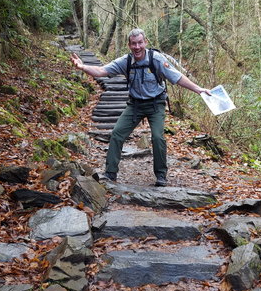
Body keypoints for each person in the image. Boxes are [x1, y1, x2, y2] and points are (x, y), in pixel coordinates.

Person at [71, 28, 211, 186]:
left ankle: (161, 175)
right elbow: (101, 71)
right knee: (117, 133)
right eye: (133, 44)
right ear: (129, 45)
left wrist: (199, 89)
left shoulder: (156, 59)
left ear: (145, 42)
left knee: (158, 137)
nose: (137, 47)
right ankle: (110, 173)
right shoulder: (126, 61)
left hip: (156, 104)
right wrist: (83, 67)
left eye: (140, 43)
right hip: (135, 104)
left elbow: (177, 77)